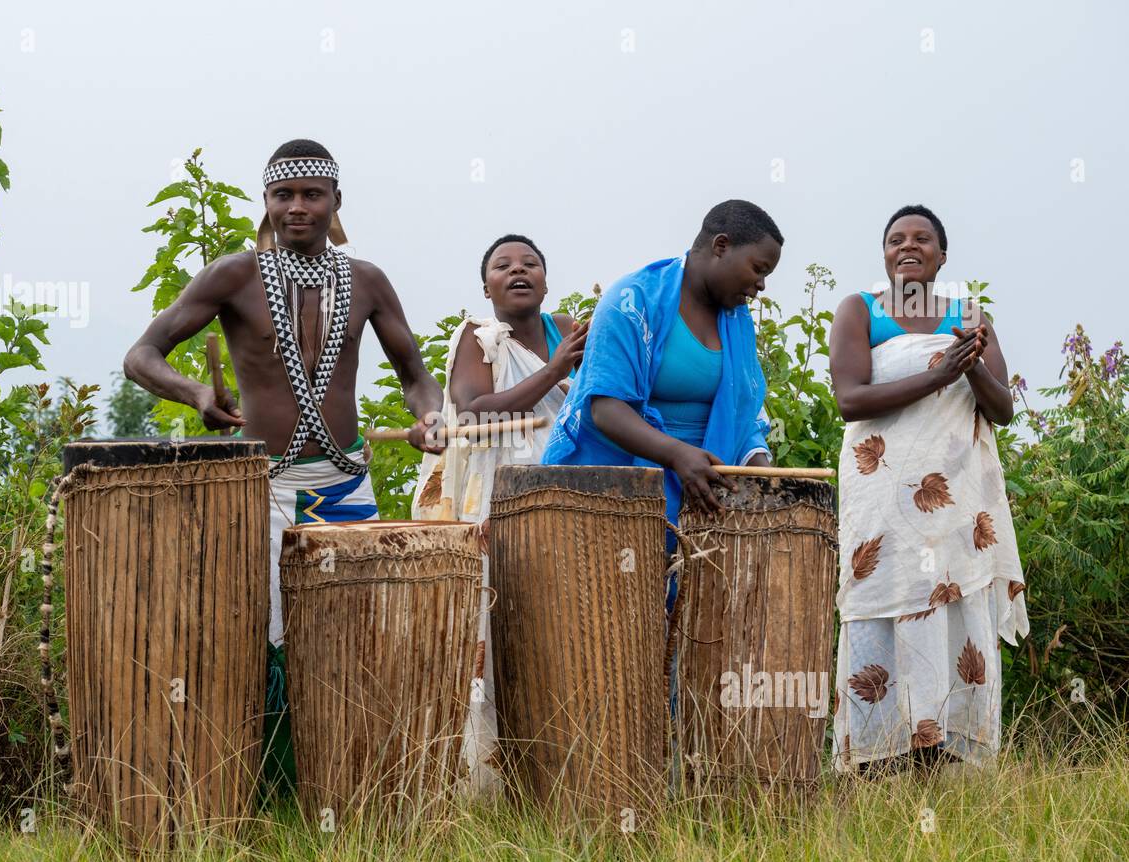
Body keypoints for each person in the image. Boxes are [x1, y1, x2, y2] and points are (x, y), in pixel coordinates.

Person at [123, 139, 444, 791]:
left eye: (312, 195)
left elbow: (416, 377)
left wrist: (432, 416)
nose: (297, 207)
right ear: (266, 204)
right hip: (262, 490)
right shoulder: (235, 276)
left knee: (357, 635)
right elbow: (142, 355)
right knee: (263, 642)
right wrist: (196, 393)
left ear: (336, 203)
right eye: (283, 196)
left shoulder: (368, 282)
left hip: (347, 486)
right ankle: (270, 791)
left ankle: (352, 786)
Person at [828, 204, 1029, 773]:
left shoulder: (968, 316)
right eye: (896, 239)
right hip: (883, 501)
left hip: (953, 507)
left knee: (951, 605)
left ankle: (942, 750)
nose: (908, 246)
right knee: (883, 605)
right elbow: (850, 400)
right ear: (884, 254)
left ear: (943, 256)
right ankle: (879, 756)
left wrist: (969, 368)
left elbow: (1004, 409)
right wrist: (937, 374)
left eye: (922, 239)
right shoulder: (859, 310)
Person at [412, 234, 587, 794]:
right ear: (484, 285)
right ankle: (487, 785)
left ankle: (560, 775)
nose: (517, 270)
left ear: (546, 279)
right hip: (497, 499)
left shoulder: (570, 329)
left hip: (566, 493)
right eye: (502, 265)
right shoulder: (479, 337)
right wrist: (553, 369)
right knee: (494, 624)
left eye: (530, 263)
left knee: (557, 627)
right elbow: (474, 410)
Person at [541, 199, 783, 531]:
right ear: (721, 246)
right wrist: (677, 455)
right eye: (759, 269)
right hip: (610, 493)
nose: (761, 285)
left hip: (697, 499)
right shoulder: (632, 300)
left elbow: (742, 416)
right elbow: (606, 408)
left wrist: (768, 482)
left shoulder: (735, 320)